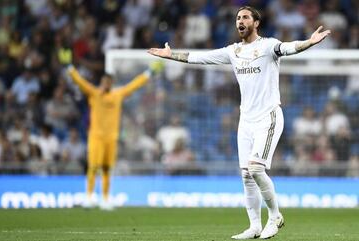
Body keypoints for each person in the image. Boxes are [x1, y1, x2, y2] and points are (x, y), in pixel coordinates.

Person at [148, 5, 330, 239]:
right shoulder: (233, 51)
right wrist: (171, 55)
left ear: (256, 23)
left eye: (245, 17)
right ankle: (254, 226)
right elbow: (201, 58)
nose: (239, 21)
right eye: (237, 18)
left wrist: (309, 41)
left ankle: (275, 216)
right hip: (246, 120)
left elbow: (288, 48)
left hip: (269, 116)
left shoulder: (267, 46)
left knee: (256, 168)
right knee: (246, 175)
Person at [67, 61, 163, 210]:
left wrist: (149, 72)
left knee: (106, 169)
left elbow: (134, 85)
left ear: (111, 83)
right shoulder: (94, 93)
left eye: (108, 82)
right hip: (96, 137)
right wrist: (69, 66)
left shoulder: (117, 94)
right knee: (93, 167)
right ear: (101, 82)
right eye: (104, 81)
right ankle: (89, 197)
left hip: (111, 137)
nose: (106, 84)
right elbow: (79, 81)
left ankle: (105, 199)